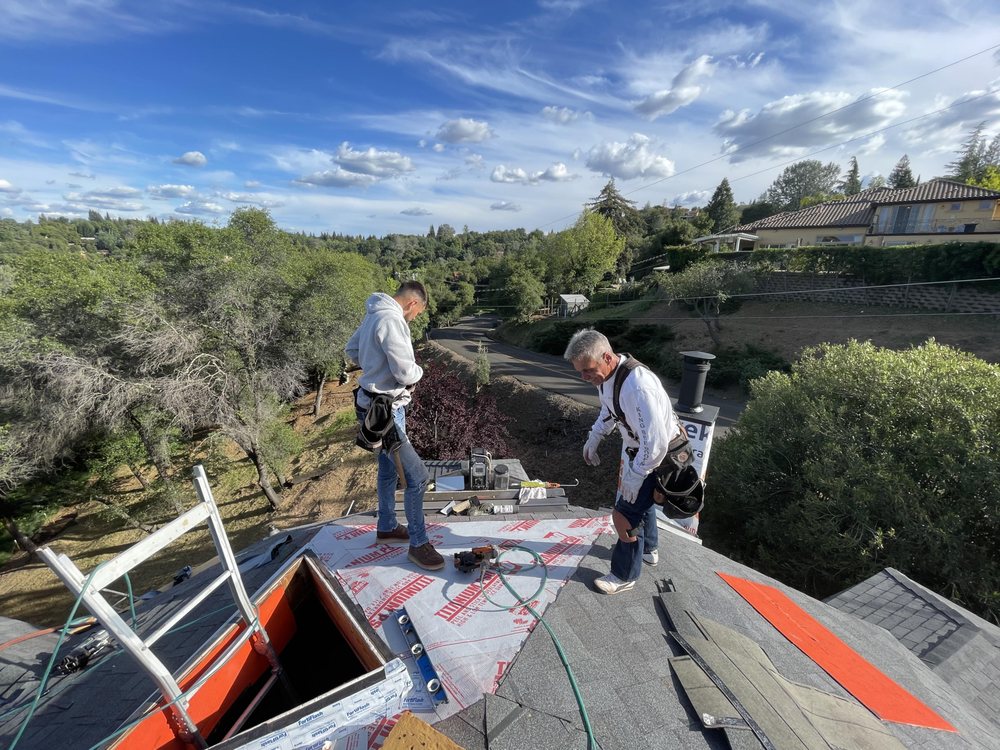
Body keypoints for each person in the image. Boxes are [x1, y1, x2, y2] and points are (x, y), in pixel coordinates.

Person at [564, 329, 679, 594]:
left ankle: (624, 574)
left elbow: (656, 442)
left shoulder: (638, 386)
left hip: (658, 457)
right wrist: (594, 438)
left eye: (588, 370)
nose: (584, 378)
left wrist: (636, 474)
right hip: (641, 452)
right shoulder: (608, 378)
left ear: (607, 356)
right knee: (642, 503)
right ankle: (649, 550)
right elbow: (609, 409)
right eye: (579, 372)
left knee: (624, 514)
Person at [345, 281, 444, 571]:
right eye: (417, 314)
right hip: (385, 413)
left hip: (372, 407)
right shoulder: (392, 319)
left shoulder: (374, 313)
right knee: (418, 477)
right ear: (413, 303)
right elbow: (405, 371)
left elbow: (352, 349)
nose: (414, 319)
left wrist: (375, 365)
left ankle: (387, 525)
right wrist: (418, 371)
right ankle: (418, 544)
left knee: (388, 470)